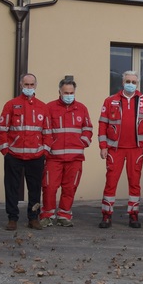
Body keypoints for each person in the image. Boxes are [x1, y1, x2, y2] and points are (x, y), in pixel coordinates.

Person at [99, 70, 143, 229]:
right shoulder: (110, 100)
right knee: (110, 182)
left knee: (135, 183)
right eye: (128, 81)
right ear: (122, 83)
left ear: (137, 84)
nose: (130, 84)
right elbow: (103, 124)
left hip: (136, 150)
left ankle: (133, 215)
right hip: (115, 149)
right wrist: (103, 147)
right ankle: (106, 215)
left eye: (133, 82)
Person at [0, 73, 49, 231]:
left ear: (35, 86)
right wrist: (5, 150)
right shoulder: (11, 105)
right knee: (11, 188)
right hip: (14, 155)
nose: (29, 87)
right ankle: (12, 218)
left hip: (36, 156)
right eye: (26, 85)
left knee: (34, 189)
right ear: (21, 85)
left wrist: (44, 151)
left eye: (31, 85)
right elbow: (2, 129)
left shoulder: (42, 107)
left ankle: (33, 218)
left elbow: (48, 132)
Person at [41, 77, 93, 227]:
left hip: (75, 157)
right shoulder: (49, 108)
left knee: (70, 188)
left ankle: (64, 215)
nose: (69, 95)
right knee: (49, 187)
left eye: (71, 92)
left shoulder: (82, 108)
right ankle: (47, 215)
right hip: (54, 157)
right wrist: (48, 146)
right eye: (66, 92)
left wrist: (83, 142)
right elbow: (45, 129)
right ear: (59, 92)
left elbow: (88, 128)